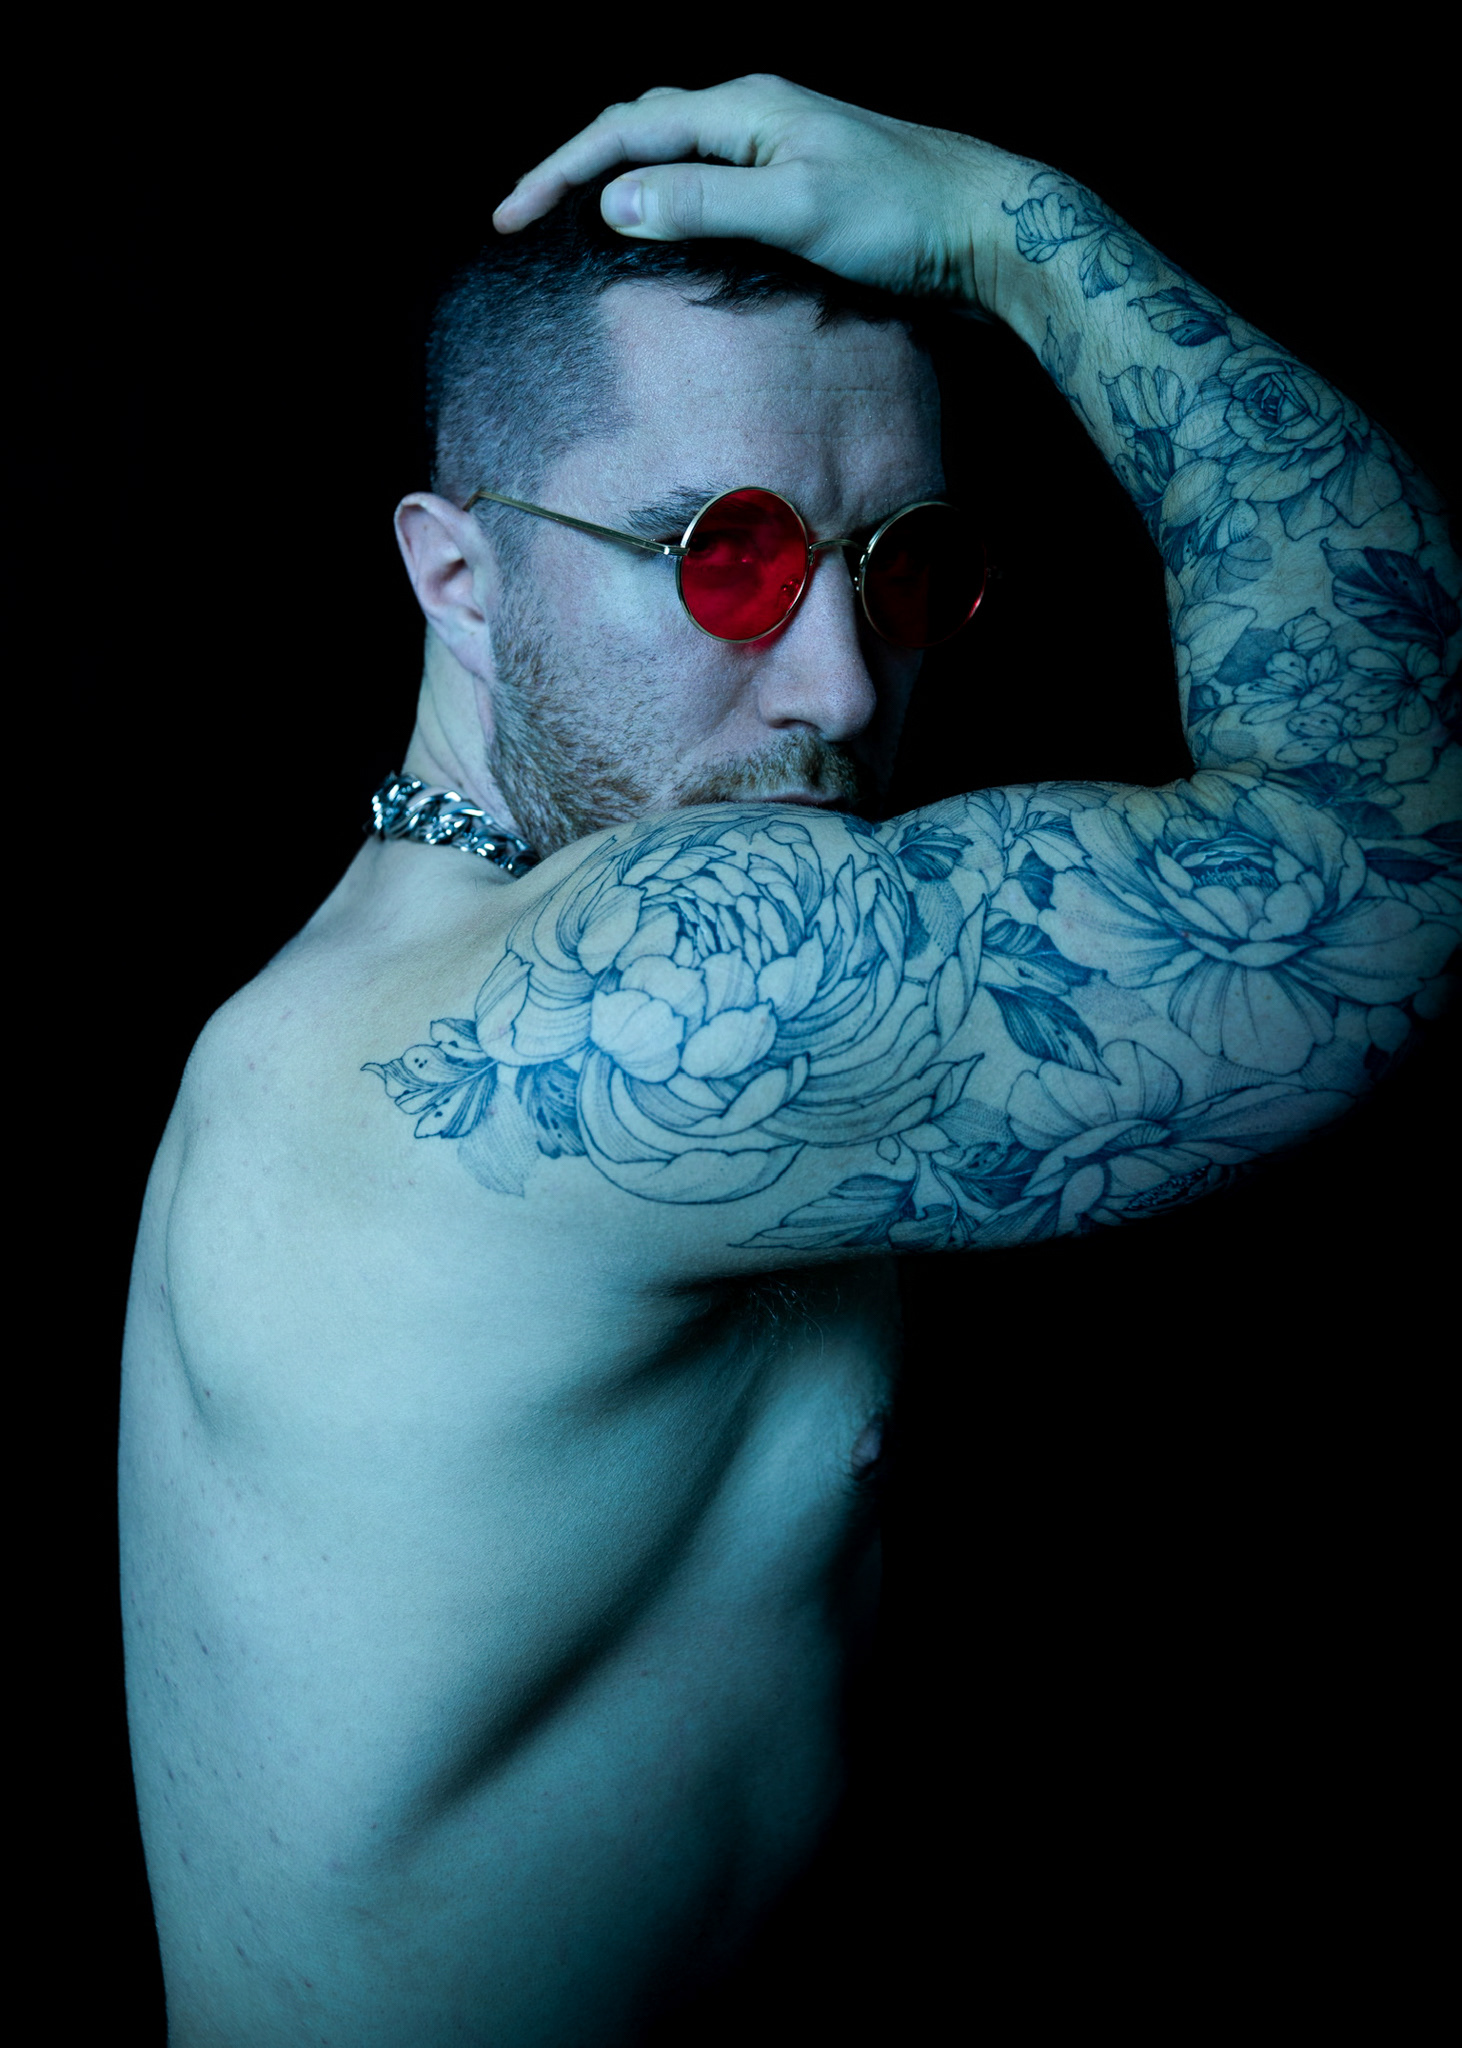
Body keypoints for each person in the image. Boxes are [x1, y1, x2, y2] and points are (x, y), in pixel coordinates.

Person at [119, 75, 1460, 2046]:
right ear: (459, 578)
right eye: (722, 557)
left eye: (903, 567)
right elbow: (1377, 860)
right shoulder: (597, 991)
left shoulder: (406, 971)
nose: (838, 685)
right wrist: (1007, 222)